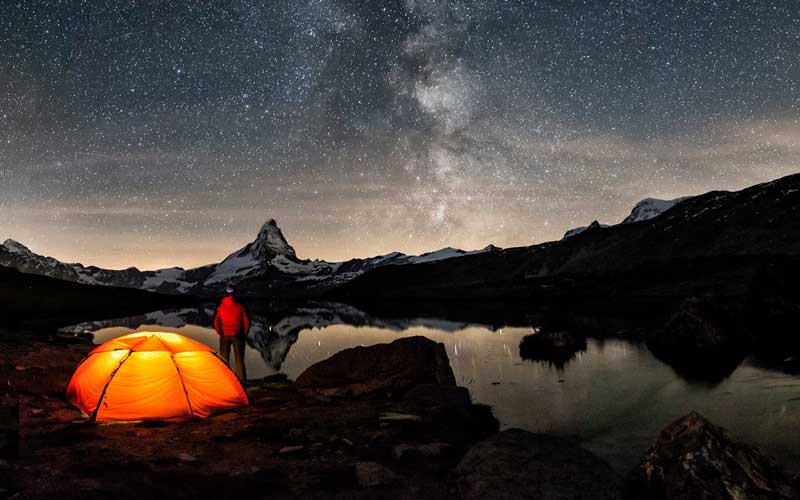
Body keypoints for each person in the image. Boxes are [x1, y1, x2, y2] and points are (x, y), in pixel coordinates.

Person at [212, 286, 249, 382]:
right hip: (237, 335)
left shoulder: (221, 307)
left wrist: (219, 332)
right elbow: (246, 321)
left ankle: (225, 380)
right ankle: (242, 381)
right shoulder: (240, 307)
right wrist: (244, 333)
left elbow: (215, 321)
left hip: (224, 335)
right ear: (234, 294)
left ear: (225, 294)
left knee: (224, 359)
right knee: (239, 359)